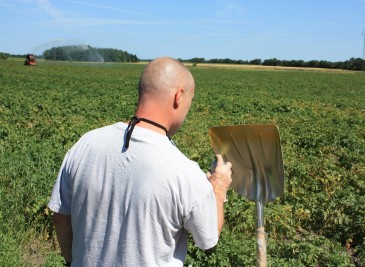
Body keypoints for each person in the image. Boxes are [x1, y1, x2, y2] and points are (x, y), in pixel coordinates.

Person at [48, 57, 232, 266]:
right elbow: (208, 239)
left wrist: (74, 260)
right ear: (178, 97)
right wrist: (218, 189)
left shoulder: (86, 143)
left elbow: (60, 217)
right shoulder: (185, 172)